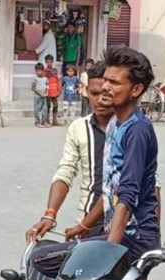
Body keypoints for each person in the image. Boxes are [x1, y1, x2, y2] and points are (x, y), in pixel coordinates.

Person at [31, 46, 159, 280]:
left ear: (135, 90)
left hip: (130, 239)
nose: (106, 89)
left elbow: (128, 197)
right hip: (110, 230)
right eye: (103, 82)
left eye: (115, 84)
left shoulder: (137, 131)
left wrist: (109, 254)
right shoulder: (117, 124)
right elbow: (109, 190)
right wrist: (83, 226)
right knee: (41, 258)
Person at [26, 61, 112, 242]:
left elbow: (151, 183)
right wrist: (50, 214)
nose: (100, 100)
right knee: (40, 259)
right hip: (87, 221)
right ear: (86, 92)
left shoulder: (131, 128)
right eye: (94, 93)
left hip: (123, 224)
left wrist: (153, 236)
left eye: (106, 94)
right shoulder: (79, 128)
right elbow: (65, 171)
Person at [44, 54, 61, 126]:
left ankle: (55, 121)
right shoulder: (44, 71)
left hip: (55, 91)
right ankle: (47, 121)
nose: (49, 64)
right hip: (48, 91)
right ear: (45, 62)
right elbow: (43, 81)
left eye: (51, 62)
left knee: (56, 105)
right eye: (48, 62)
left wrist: (59, 90)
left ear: (53, 62)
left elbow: (58, 80)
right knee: (48, 106)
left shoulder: (55, 70)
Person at [32, 62, 48, 128]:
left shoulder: (45, 78)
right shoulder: (35, 78)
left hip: (44, 96)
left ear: (42, 71)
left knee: (44, 109)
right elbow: (33, 88)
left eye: (39, 71)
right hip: (37, 96)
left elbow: (47, 86)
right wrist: (39, 93)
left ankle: (43, 122)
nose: (38, 72)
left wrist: (46, 92)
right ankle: (37, 122)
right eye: (37, 71)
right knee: (37, 109)